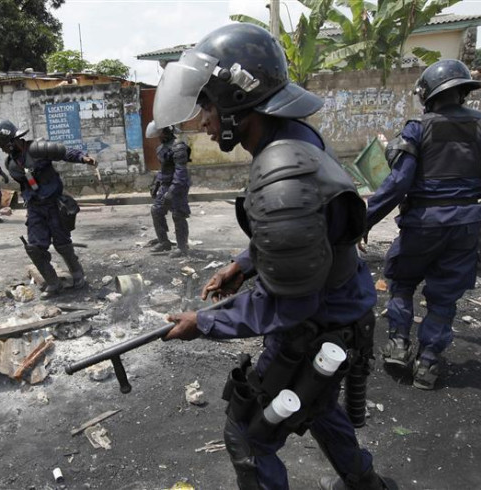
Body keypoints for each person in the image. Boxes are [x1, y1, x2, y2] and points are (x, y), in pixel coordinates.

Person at [155, 24, 392, 490]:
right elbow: (301, 232)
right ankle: (366, 484)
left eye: (206, 105)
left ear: (238, 102)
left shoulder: (281, 172)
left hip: (316, 325)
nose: (202, 121)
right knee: (320, 406)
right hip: (341, 314)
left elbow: (290, 303)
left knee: (248, 436)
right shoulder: (294, 136)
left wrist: (203, 323)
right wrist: (242, 266)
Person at [365, 59, 481, 390]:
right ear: (463, 92)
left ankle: (398, 343)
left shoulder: (417, 128)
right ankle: (428, 364)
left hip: (422, 223)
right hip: (467, 225)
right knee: (443, 297)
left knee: (402, 281)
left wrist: (362, 221)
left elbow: (398, 183)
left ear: (427, 95)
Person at [0, 120, 96, 298]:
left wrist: (82, 157)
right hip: (35, 207)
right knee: (34, 248)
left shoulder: (37, 148)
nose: (2, 149)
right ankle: (53, 283)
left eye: (2, 144)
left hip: (54, 204)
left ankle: (78, 275)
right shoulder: (10, 163)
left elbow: (63, 152)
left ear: (11, 140)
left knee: (63, 244)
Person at [146, 121, 192, 257]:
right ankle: (164, 242)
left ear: (166, 132)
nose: (159, 137)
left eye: (160, 134)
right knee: (156, 210)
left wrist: (172, 191)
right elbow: (163, 170)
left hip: (178, 185)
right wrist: (156, 185)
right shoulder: (162, 148)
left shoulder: (178, 147)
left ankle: (182, 247)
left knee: (178, 215)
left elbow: (181, 173)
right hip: (166, 184)